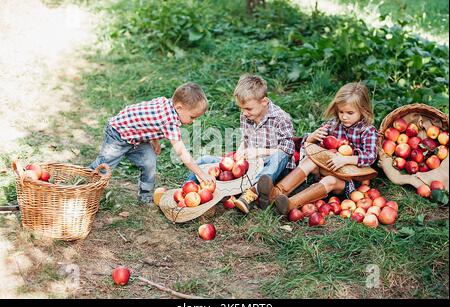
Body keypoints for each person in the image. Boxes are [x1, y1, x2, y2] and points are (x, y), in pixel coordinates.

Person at [257, 82, 378, 215]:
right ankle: (274, 194)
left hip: (349, 181)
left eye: (350, 113)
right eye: (341, 111)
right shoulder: (335, 124)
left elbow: (370, 156)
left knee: (330, 181)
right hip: (328, 168)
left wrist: (345, 160)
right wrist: (312, 137)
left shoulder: (368, 131)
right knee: (309, 160)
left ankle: (290, 204)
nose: (344, 116)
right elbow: (308, 145)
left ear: (363, 110)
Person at [186, 74, 296, 214]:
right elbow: (246, 139)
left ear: (264, 102)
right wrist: (239, 153)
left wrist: (258, 151)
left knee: (279, 157)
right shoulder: (246, 115)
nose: (244, 113)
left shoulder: (280, 118)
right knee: (204, 161)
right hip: (250, 166)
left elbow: (288, 150)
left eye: (248, 109)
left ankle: (251, 194)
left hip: (271, 168)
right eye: (241, 109)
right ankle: (187, 191)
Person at [90, 82, 215, 203]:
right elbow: (181, 152)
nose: (193, 121)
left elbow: (149, 122)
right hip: (118, 134)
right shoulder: (170, 121)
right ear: (179, 108)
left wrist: (155, 141)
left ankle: (145, 195)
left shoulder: (168, 104)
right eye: (192, 117)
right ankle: (85, 185)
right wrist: (200, 173)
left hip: (137, 138)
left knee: (149, 162)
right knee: (104, 166)